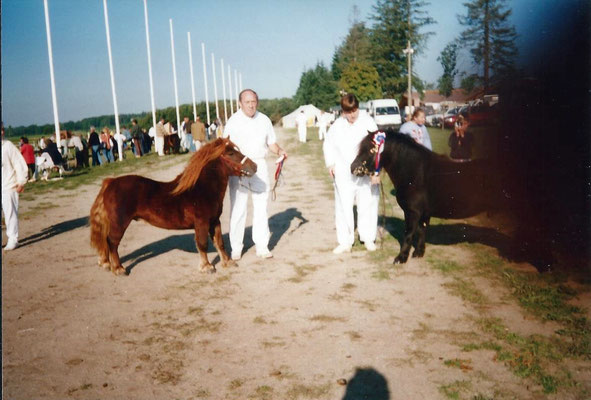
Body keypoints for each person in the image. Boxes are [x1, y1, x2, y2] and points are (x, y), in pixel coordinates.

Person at [223, 89, 288, 260]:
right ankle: (236, 248)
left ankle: (262, 245)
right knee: (238, 208)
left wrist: (280, 150)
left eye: (254, 102)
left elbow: (271, 143)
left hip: (259, 165)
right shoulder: (233, 121)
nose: (251, 105)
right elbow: (226, 148)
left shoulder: (264, 119)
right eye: (247, 102)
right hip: (239, 168)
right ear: (240, 103)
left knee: (261, 207)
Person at [323, 93, 380, 254]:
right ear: (342, 112)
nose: (352, 115)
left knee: (367, 203)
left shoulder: (368, 121)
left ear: (358, 108)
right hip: (343, 172)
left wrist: (376, 170)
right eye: (348, 112)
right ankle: (345, 241)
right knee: (343, 206)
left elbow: (378, 147)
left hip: (364, 172)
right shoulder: (337, 125)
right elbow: (328, 144)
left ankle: (368, 238)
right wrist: (331, 163)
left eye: (354, 110)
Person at [2, 127, 29, 250]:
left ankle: (13, 239)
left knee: (10, 213)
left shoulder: (8, 146)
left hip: (9, 185)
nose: (2, 132)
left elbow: (18, 163)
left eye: (2, 129)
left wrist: (21, 181)